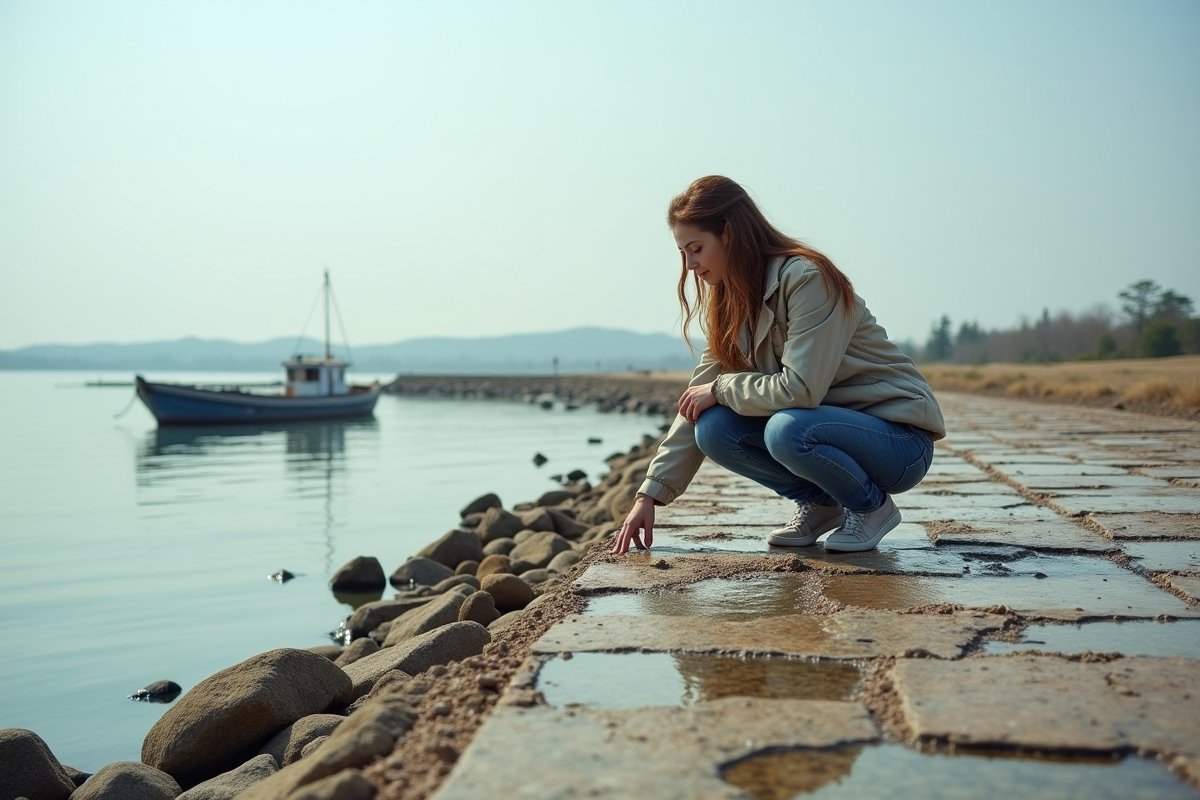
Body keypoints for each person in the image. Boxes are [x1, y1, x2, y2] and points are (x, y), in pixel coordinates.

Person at [612, 176, 946, 556]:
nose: (690, 265)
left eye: (696, 248)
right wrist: (649, 495)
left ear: (730, 234)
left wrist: (723, 389)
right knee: (714, 427)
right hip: (826, 431)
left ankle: (872, 508)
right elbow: (695, 400)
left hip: (898, 441)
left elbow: (800, 389)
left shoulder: (807, 279)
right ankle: (821, 504)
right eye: (683, 253)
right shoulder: (729, 304)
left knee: (786, 429)